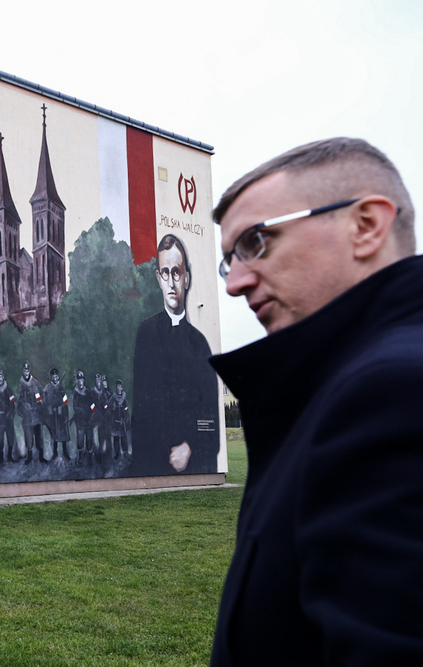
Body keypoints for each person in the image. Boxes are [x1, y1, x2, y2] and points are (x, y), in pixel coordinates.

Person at [208, 137, 423, 665]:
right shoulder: (341, 387)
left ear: (366, 225)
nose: (235, 283)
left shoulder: (392, 394)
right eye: (228, 260)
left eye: (257, 241)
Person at [130, 234, 219, 477]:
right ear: (159, 278)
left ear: (186, 278)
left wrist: (191, 447)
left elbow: (210, 415)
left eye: (177, 272)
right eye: (165, 273)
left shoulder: (200, 344)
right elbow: (141, 409)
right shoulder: (146, 334)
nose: (171, 281)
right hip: (152, 463)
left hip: (192, 466)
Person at [17, 362, 47, 464]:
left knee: (39, 436)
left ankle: (41, 456)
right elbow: (19, 400)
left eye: (27, 370)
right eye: (24, 371)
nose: (26, 372)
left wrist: (39, 404)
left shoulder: (35, 383)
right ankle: (29, 456)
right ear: (22, 371)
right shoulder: (21, 384)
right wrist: (23, 409)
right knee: (28, 436)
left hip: (36, 414)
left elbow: (42, 396)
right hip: (27, 415)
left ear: (29, 371)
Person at [0, 369, 18, 464]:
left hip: (8, 416)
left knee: (10, 437)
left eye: (1, 376)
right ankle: (1, 458)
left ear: (3, 377)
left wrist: (11, 413)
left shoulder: (8, 389)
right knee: (0, 439)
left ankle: (9, 456)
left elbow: (13, 402)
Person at [43, 367, 71, 462]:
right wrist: (48, 409)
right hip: (52, 416)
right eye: (53, 376)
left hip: (61, 415)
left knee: (63, 434)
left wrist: (63, 408)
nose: (55, 378)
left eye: (56, 376)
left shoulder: (61, 387)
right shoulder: (48, 388)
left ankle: (65, 452)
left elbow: (65, 400)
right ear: (51, 377)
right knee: (54, 434)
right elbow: (44, 400)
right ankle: (54, 453)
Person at [71, 371, 93, 465]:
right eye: (79, 380)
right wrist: (82, 410)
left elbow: (92, 404)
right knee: (80, 439)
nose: (80, 382)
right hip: (80, 420)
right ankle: (80, 456)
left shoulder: (88, 392)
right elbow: (75, 406)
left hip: (88, 420)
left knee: (89, 439)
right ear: (77, 381)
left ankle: (90, 456)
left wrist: (93, 413)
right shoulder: (76, 392)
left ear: (83, 381)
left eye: (82, 380)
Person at [108, 379, 130, 460]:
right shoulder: (113, 397)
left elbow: (126, 408)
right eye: (117, 386)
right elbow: (108, 406)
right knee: (116, 438)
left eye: (119, 386)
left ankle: (125, 453)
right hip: (115, 420)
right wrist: (112, 409)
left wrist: (126, 414)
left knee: (123, 437)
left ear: (121, 388)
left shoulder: (123, 398)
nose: (118, 388)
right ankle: (117, 453)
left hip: (122, 420)